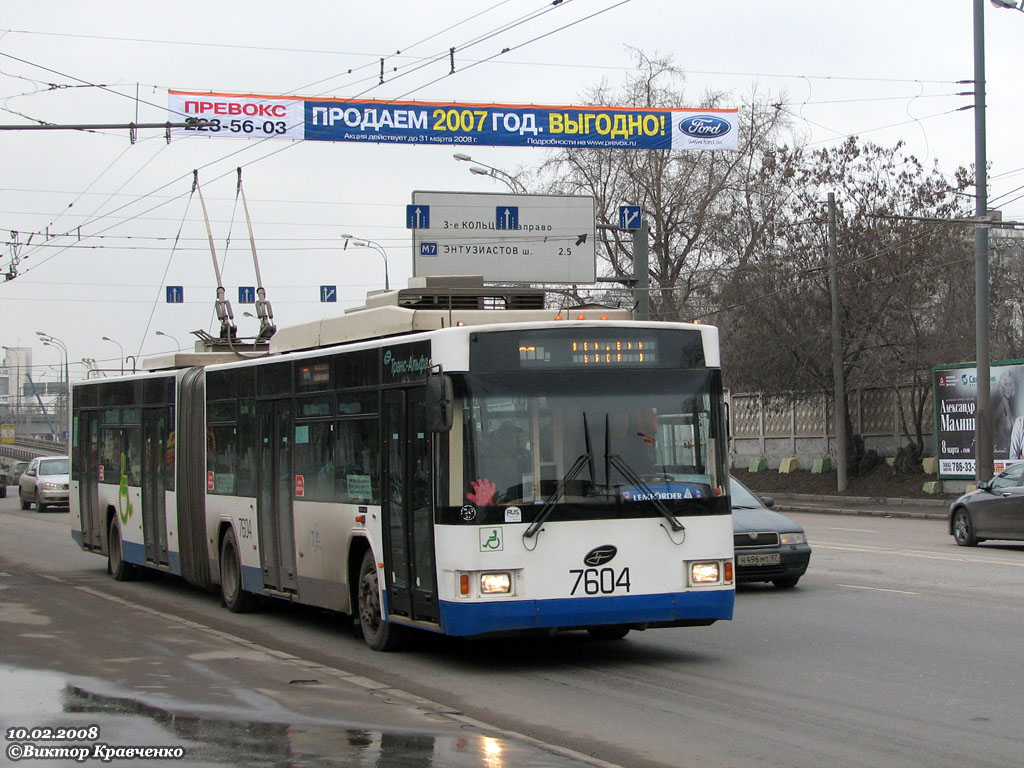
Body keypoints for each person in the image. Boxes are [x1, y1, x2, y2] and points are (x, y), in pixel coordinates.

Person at [993, 369, 1016, 459]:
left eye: (1010, 384)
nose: (1008, 388)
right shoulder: (1003, 403)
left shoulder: (1010, 403)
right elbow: (991, 424)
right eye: (1006, 385)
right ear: (1002, 387)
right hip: (1001, 450)